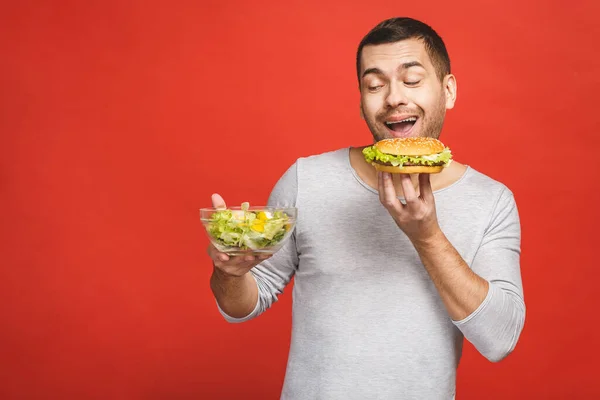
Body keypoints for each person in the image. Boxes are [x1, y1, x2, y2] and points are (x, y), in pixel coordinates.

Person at [207, 16, 525, 400]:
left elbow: (500, 339)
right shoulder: (306, 179)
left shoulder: (492, 201)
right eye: (374, 85)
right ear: (361, 100)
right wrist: (230, 272)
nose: (393, 98)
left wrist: (427, 236)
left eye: (411, 80)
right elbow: (243, 304)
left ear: (449, 90)